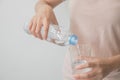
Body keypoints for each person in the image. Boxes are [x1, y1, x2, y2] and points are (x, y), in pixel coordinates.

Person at [28, 0, 120, 80]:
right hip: (74, 73)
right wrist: (43, 8)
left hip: (114, 75)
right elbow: (43, 2)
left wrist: (111, 65)